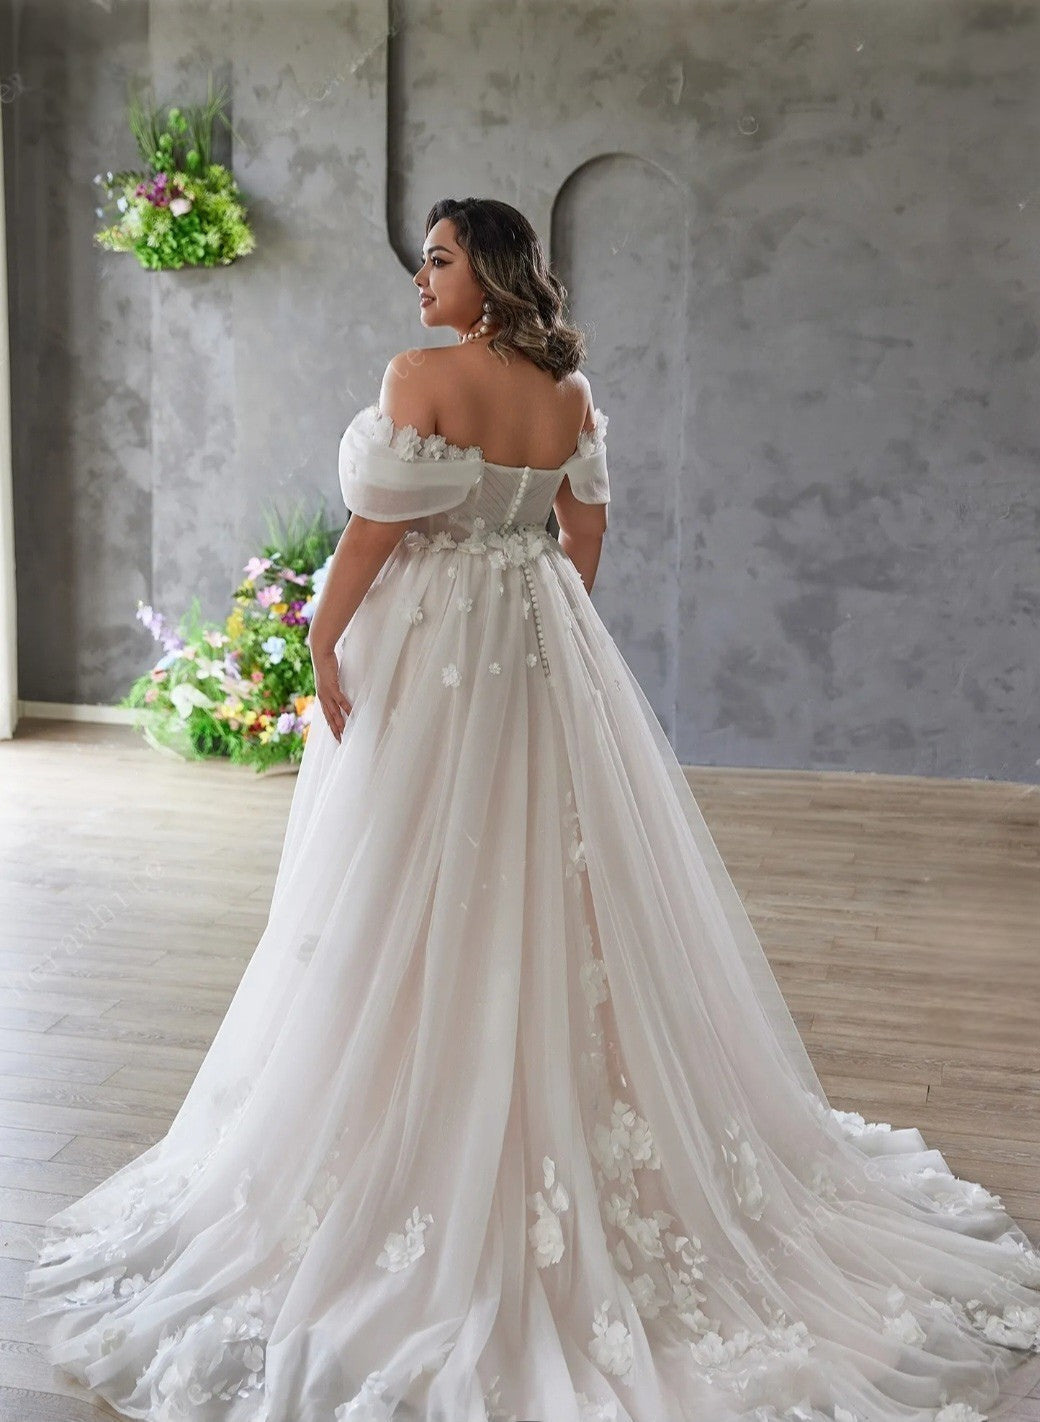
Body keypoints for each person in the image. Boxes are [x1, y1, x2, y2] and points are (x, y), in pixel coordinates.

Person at [23, 197, 1040, 1422]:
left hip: (432, 649)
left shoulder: (422, 375)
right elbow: (585, 526)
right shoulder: (566, 392)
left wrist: (321, 637)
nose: (422, 278)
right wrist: (540, 611)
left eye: (440, 259)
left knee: (402, 874)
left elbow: (371, 533)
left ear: (489, 276)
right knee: (555, 878)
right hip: (538, 640)